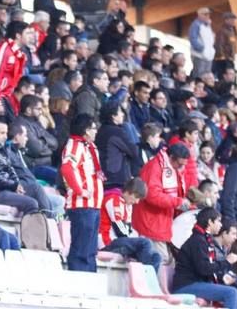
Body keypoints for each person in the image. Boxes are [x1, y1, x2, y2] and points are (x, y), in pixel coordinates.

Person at [172, 207, 237, 309]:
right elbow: (204, 269)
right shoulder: (198, 241)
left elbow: (207, 268)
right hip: (185, 285)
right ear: (210, 222)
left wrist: (222, 277)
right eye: (218, 221)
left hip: (195, 282)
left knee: (236, 292)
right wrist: (227, 261)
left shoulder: (204, 239)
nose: (221, 224)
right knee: (231, 293)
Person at [133, 143, 192, 264]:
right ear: (171, 157)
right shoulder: (154, 167)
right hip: (151, 223)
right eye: (180, 164)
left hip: (162, 222)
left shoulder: (170, 166)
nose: (181, 168)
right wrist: (178, 202)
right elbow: (152, 195)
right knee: (161, 261)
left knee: (168, 261)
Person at [60, 114, 103, 272]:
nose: (96, 131)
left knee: (90, 249)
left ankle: (90, 278)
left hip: (94, 204)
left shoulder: (90, 147)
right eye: (93, 128)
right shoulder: (74, 145)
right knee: (81, 248)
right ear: (85, 130)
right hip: (81, 204)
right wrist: (80, 191)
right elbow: (67, 168)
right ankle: (79, 279)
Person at [0, 120, 40, 214]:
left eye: (6, 133)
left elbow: (10, 169)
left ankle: (48, 219)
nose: (5, 137)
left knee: (36, 189)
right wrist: (14, 185)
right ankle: (34, 227)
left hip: (6, 188)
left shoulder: (0, 149)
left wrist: (17, 184)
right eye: (2, 133)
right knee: (32, 203)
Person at [99, 177, 162, 272]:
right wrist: (135, 240)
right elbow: (119, 229)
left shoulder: (128, 204)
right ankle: (143, 278)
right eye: (136, 197)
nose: (137, 202)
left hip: (121, 241)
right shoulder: (113, 199)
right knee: (145, 243)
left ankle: (147, 282)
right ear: (128, 192)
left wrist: (135, 238)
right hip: (108, 242)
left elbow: (128, 228)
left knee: (156, 257)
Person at [0, 21, 31, 123]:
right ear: (18, 35)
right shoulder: (3, 49)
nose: (30, 36)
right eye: (27, 33)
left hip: (5, 98)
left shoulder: (18, 53)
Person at [96, 101, 137, 190]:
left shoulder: (100, 131)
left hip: (104, 177)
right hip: (116, 179)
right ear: (113, 116)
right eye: (120, 112)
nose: (122, 114)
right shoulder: (116, 132)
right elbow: (134, 151)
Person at [189, 7, 215, 78]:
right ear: (199, 15)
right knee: (199, 75)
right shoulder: (196, 25)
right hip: (199, 55)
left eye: (208, 14)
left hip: (208, 55)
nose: (207, 16)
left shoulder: (207, 25)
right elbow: (193, 39)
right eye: (205, 14)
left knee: (206, 75)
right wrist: (202, 49)